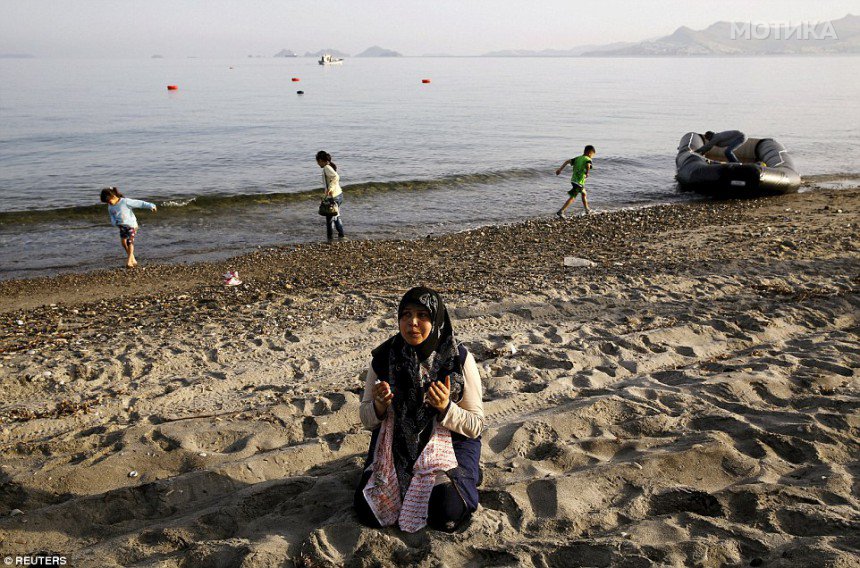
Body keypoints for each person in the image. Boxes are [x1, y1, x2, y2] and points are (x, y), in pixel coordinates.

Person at [354, 287, 484, 533]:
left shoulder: (459, 359)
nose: (412, 322)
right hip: (395, 444)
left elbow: (475, 425)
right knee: (367, 511)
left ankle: (468, 474)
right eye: (406, 315)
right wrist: (379, 407)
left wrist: (446, 408)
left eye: (423, 315)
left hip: (449, 445)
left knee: (445, 513)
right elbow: (367, 420)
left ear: (436, 319)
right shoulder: (383, 358)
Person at [99, 186, 156, 268]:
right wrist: (114, 222)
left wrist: (151, 205)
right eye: (107, 202)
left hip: (131, 225)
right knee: (123, 242)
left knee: (130, 241)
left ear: (113, 196)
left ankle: (129, 261)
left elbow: (139, 203)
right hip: (122, 227)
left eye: (109, 201)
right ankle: (132, 258)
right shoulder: (110, 207)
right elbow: (112, 216)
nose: (109, 203)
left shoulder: (125, 202)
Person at [555, 145, 596, 217]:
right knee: (573, 196)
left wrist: (560, 169)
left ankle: (587, 209)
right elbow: (588, 165)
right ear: (590, 153)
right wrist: (587, 173)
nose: (592, 157)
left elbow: (567, 161)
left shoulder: (578, 158)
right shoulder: (587, 159)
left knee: (584, 194)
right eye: (592, 155)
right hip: (579, 182)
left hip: (573, 180)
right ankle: (561, 211)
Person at [316, 150, 345, 240]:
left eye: (318, 161)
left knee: (329, 219)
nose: (318, 164)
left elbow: (336, 177)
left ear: (321, 160)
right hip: (339, 194)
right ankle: (341, 235)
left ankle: (330, 238)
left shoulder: (326, 168)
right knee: (336, 215)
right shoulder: (329, 166)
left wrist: (330, 189)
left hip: (333, 196)